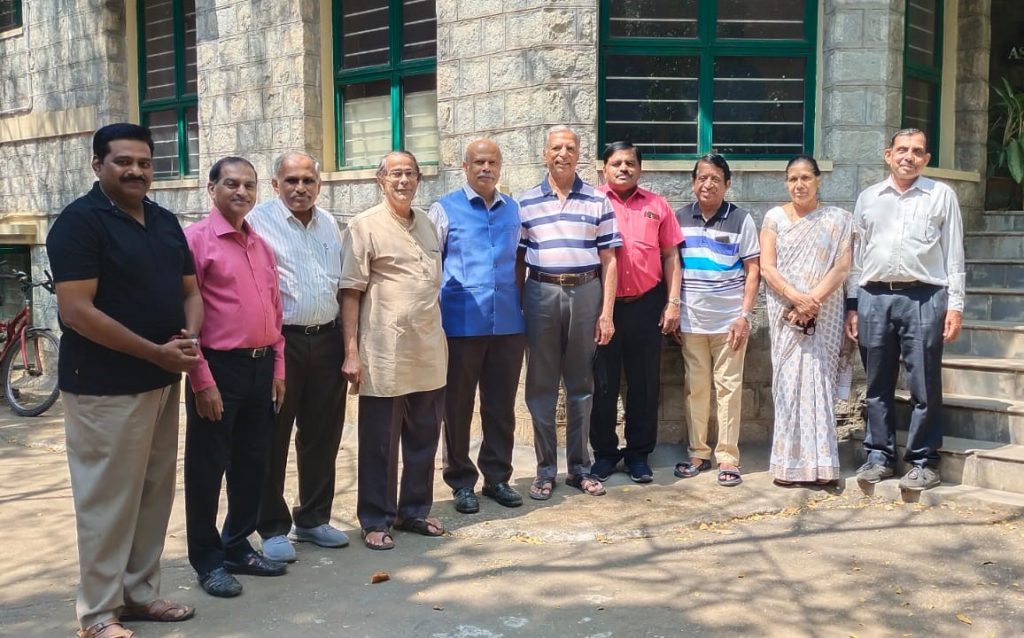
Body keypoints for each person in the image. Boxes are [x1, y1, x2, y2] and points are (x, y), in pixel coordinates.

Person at [47, 123, 201, 638]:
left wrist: (189, 338)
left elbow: (191, 291)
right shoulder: (79, 223)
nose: (136, 171)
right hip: (103, 387)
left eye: (144, 162)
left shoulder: (164, 220)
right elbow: (76, 312)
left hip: (162, 381)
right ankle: (97, 614)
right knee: (107, 500)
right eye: (123, 161)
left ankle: (139, 594)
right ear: (98, 165)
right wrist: (156, 352)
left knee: (153, 493)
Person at [184, 157, 288, 597]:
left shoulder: (260, 244)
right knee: (207, 469)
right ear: (212, 189)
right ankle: (207, 560)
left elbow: (275, 310)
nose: (241, 192)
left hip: (261, 367)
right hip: (218, 367)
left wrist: (278, 367)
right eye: (231, 184)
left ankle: (237, 545)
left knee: (251, 463)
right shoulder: (195, 241)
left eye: (249, 185)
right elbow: (183, 317)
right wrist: (201, 379)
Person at [846, 128, 965, 492]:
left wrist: (955, 305)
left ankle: (923, 461)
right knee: (877, 384)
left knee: (924, 384)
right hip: (874, 297)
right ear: (888, 154)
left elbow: (954, 254)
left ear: (926, 159)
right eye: (902, 150)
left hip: (925, 297)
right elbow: (857, 255)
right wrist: (853, 304)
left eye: (916, 151)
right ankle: (879, 457)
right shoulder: (869, 198)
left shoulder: (941, 195)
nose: (908, 157)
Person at [341, 151, 447, 550]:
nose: (403, 181)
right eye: (395, 174)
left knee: (424, 437)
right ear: (380, 179)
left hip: (428, 347)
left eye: (409, 174)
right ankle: (375, 518)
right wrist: (351, 351)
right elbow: (350, 292)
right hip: (384, 351)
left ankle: (414, 510)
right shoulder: (364, 226)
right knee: (379, 442)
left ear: (419, 179)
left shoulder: (428, 224)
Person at [248, 152, 348, 562]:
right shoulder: (257, 224)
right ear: (276, 185)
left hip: (327, 339)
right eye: (291, 180)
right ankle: (272, 526)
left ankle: (313, 518)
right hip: (281, 343)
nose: (300, 188)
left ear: (319, 185)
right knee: (273, 435)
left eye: (308, 180)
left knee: (323, 434)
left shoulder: (330, 224)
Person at [518, 126, 621, 500]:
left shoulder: (598, 200)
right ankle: (545, 470)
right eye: (556, 148)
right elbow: (518, 258)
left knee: (581, 386)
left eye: (570, 148)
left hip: (585, 292)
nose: (563, 154)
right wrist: (519, 305)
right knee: (540, 387)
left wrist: (606, 313)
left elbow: (610, 260)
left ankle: (579, 468)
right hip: (540, 292)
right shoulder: (525, 202)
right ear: (544, 153)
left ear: (579, 155)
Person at [427, 140, 526, 514]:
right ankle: (461, 481)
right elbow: (432, 265)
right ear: (465, 166)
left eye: (492, 162)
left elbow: (519, 259)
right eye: (479, 162)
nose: (486, 168)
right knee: (457, 407)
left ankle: (497, 477)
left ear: (500, 166)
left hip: (507, 324)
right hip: (460, 324)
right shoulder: (444, 209)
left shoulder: (512, 209)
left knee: (500, 406)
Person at [590, 141, 682, 483]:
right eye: (616, 163)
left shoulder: (657, 205)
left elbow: (671, 256)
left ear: (640, 169)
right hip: (603, 306)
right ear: (604, 168)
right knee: (602, 382)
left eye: (630, 163)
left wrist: (673, 302)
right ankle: (604, 454)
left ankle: (639, 455)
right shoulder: (592, 202)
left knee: (644, 383)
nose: (623, 168)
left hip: (647, 305)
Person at [760, 155, 853, 486]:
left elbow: (842, 267)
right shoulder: (773, 218)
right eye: (792, 179)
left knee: (820, 382)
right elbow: (767, 267)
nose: (799, 185)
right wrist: (796, 298)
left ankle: (821, 466)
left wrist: (812, 300)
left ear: (818, 180)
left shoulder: (839, 219)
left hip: (824, 312)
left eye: (805, 178)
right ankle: (788, 465)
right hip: (786, 313)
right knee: (788, 384)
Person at [672, 154, 760, 488]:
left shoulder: (741, 219)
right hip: (692, 321)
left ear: (727, 184)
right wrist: (675, 310)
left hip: (729, 324)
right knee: (695, 388)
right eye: (702, 178)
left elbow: (753, 271)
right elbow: (673, 266)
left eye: (715, 179)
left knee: (729, 389)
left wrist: (744, 316)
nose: (707, 184)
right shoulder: (680, 218)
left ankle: (728, 457)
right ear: (693, 182)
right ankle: (698, 453)